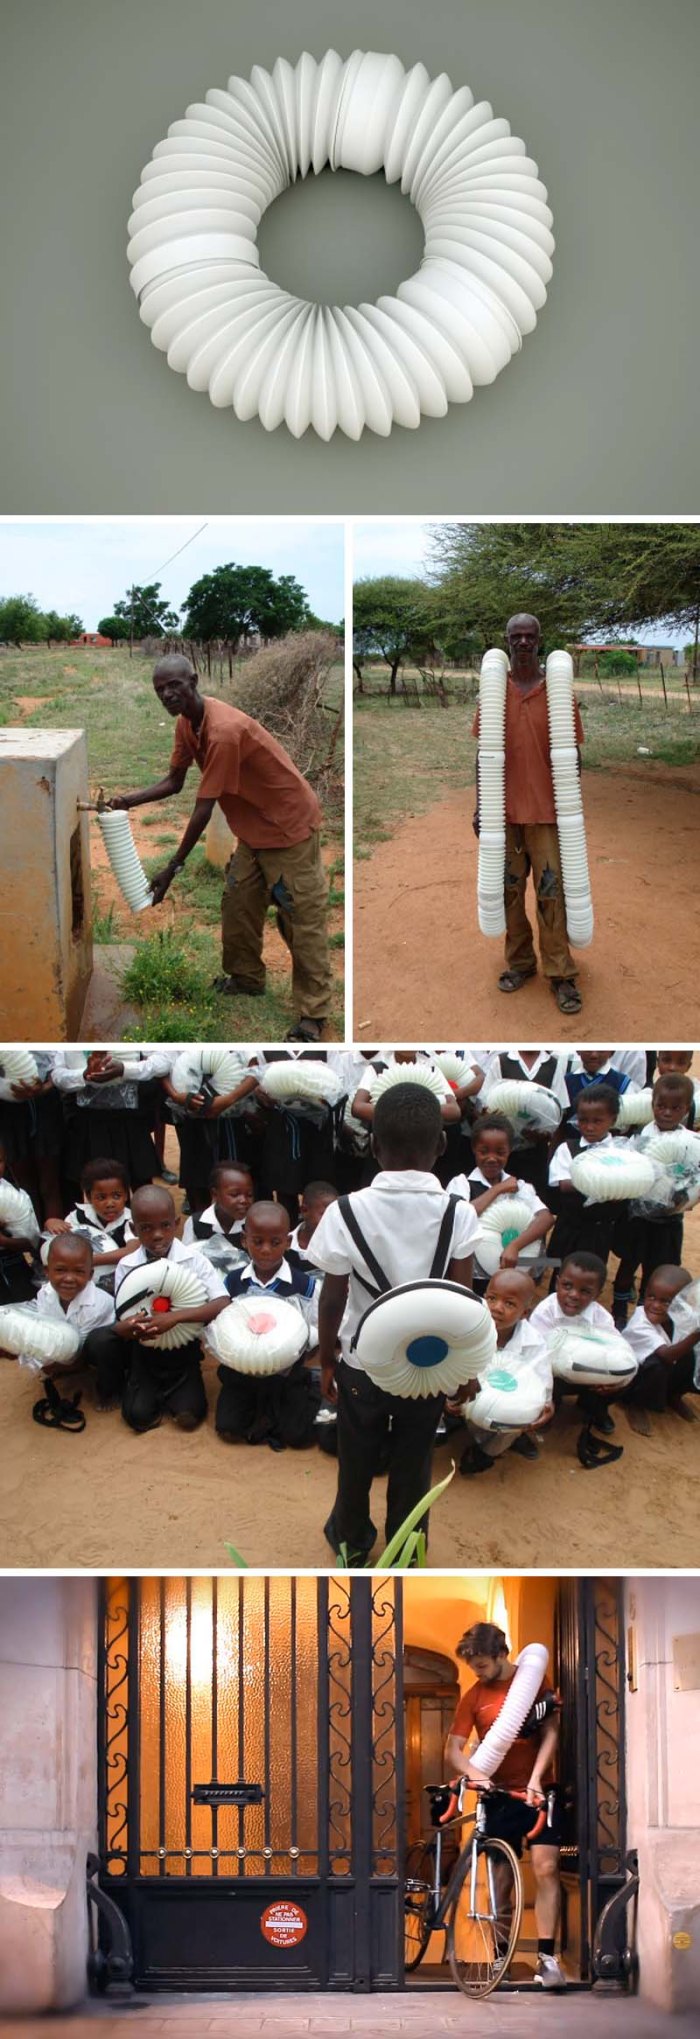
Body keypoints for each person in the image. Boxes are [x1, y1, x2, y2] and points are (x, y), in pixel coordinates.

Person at [106, 654, 332, 1041]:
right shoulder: (187, 724)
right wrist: (126, 801)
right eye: (160, 689)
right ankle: (246, 978)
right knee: (238, 903)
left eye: (174, 685)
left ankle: (314, 1015)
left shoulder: (223, 731)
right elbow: (174, 781)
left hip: (288, 826)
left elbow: (202, 807)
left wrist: (173, 867)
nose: (167, 694)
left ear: (194, 680)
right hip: (254, 830)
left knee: (300, 918)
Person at [308, 1082, 483, 1563]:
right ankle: (407, 1551)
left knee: (356, 1459)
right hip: (428, 1368)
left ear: (373, 1145)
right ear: (443, 1146)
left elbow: (333, 1297)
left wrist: (327, 1360)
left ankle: (352, 1543)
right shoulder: (458, 1212)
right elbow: (463, 1301)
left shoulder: (346, 1211)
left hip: (363, 1364)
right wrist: (465, 1370)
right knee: (414, 1462)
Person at [473, 615, 585, 1015]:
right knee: (508, 892)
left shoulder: (557, 693)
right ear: (506, 641)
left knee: (553, 892)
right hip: (504, 816)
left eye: (529, 636)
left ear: (539, 641)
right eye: (515, 636)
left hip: (548, 816)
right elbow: (482, 755)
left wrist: (572, 813)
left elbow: (573, 756)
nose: (522, 642)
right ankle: (520, 963)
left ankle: (560, 973)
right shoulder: (493, 693)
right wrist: (480, 808)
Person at [446, 1621, 566, 1991]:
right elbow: (452, 1751)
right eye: (472, 1667)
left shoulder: (533, 1684)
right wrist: (477, 1775)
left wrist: (536, 1778)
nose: (477, 1672)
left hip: (538, 1792)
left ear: (502, 1654)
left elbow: (550, 1733)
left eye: (481, 1665)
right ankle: (501, 1957)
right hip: (497, 1796)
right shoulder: (474, 1697)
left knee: (546, 1868)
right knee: (501, 1881)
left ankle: (547, 1958)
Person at [83, 1187, 228, 1430]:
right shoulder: (127, 1265)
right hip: (143, 1349)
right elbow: (123, 1313)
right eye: (146, 1228)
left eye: (165, 1226)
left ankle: (175, 1392)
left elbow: (222, 1302)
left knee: (191, 1416)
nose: (157, 1235)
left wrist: (175, 1318)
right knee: (137, 1417)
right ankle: (131, 1384)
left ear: (177, 1223)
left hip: (183, 1348)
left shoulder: (194, 1260)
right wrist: (131, 1328)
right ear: (133, 1228)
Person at [214, 1201, 320, 1450]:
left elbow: (316, 1325)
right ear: (244, 1240)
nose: (265, 1250)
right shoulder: (233, 1282)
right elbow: (223, 1325)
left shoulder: (304, 1285)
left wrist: (300, 1341)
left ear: (287, 1242)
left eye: (275, 1242)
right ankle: (259, 1409)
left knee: (298, 1436)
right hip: (241, 1371)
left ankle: (308, 1389)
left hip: (285, 1371)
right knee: (228, 1428)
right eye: (257, 1241)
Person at [612, 1074, 699, 1321]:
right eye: (661, 1106)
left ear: (686, 1109)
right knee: (627, 1265)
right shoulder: (639, 1138)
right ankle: (618, 1312)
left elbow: (694, 1181)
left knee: (656, 1271)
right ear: (652, 1105)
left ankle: (642, 1314)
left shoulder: (691, 1144)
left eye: (675, 1108)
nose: (667, 1113)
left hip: (668, 1220)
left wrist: (684, 1198)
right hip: (636, 1218)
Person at [457, 1270, 553, 1476]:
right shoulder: (467, 1327)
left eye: (509, 1304)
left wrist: (544, 1406)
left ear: (525, 1313)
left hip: (504, 1401)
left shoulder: (533, 1342)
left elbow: (543, 1383)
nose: (497, 1308)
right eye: (491, 1298)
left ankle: (487, 1451)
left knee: (515, 1419)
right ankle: (449, 1425)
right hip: (463, 1396)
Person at [447, 1112, 553, 1294]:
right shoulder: (462, 1183)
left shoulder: (520, 1187)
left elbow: (546, 1218)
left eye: (500, 1152)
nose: (491, 1158)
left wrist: (515, 1246)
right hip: (470, 1275)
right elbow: (461, 1215)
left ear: (510, 1150)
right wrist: (498, 1189)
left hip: (511, 1273)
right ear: (473, 1149)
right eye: (483, 1151)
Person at [6, 1234, 114, 1379]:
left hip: (93, 1350)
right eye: (60, 1270)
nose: (69, 1278)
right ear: (47, 1271)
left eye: (79, 1271)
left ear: (90, 1274)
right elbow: (47, 1328)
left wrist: (51, 1367)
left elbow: (78, 1352)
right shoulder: (45, 1293)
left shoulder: (96, 1306)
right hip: (66, 1342)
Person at [547, 1085, 627, 1275]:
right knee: (561, 1270)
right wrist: (605, 1184)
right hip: (570, 1225)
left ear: (613, 1119)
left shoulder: (621, 1152)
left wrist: (613, 1189)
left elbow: (623, 1190)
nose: (589, 1127)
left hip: (600, 1230)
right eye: (583, 1120)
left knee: (591, 1273)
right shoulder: (567, 1148)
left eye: (597, 1121)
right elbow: (565, 1184)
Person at [621, 1265, 700, 1433]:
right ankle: (637, 1405)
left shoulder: (683, 1314)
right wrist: (697, 1334)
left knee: (693, 1355)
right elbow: (666, 1356)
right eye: (651, 1297)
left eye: (666, 1301)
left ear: (682, 1302)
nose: (656, 1305)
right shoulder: (640, 1322)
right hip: (635, 1380)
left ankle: (673, 1395)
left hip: (667, 1371)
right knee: (657, 1364)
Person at [42, 1156, 136, 1293]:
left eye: (116, 1196)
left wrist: (89, 1261)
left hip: (118, 1285)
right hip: (78, 1284)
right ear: (89, 1196)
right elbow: (62, 1241)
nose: (110, 1203)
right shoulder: (79, 1217)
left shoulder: (131, 1220)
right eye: (101, 1197)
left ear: (126, 1195)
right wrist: (50, 1223)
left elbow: (131, 1250)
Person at [181, 1161, 254, 1275]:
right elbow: (187, 1262)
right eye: (234, 1194)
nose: (244, 1200)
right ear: (215, 1194)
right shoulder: (196, 1224)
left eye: (249, 1195)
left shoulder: (253, 1225)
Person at [0, 1138, 40, 1303]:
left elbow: (30, 1242)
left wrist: (3, 1240)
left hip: (10, 1264)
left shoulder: (14, 1197)